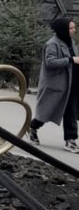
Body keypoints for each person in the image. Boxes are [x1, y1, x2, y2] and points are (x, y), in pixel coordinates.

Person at [29, 16, 79, 152]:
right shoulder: (52, 43)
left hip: (72, 84)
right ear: (63, 29)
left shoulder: (71, 42)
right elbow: (50, 62)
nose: (74, 30)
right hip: (56, 85)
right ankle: (32, 127)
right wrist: (70, 59)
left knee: (71, 113)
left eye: (74, 27)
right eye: (71, 28)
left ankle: (71, 140)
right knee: (47, 112)